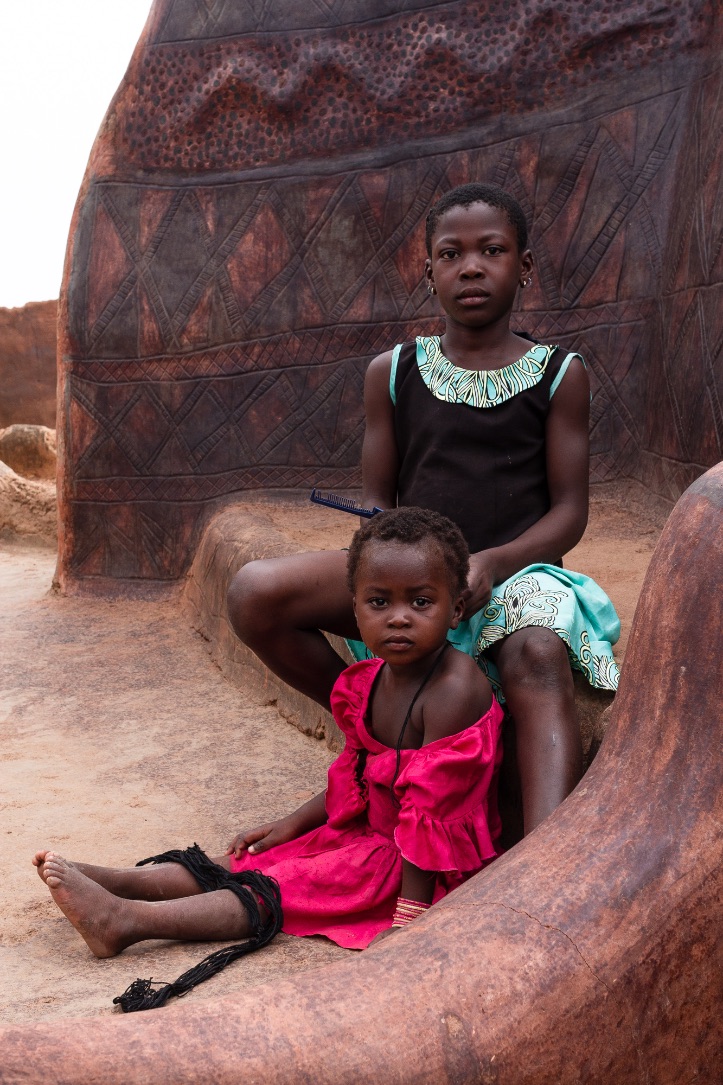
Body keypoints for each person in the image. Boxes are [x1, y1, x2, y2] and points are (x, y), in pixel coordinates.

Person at [228, 182, 620, 837]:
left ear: (523, 267)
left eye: (491, 250)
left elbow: (569, 513)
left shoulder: (559, 373)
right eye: (450, 253)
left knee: (536, 654)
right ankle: (382, 727)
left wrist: (491, 562)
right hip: (418, 572)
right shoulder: (392, 370)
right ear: (428, 271)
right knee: (254, 591)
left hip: (517, 574)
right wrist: (392, 551)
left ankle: (544, 852)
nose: (470, 265)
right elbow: (379, 498)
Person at [33, 509, 504, 1004]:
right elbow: (362, 774)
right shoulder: (371, 680)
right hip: (369, 834)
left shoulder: (453, 690)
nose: (399, 617)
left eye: (422, 602)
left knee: (278, 885)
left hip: (418, 869)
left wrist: (410, 917)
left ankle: (126, 921)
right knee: (255, 858)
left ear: (455, 610)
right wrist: (294, 822)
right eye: (379, 603)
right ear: (355, 609)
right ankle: (125, 882)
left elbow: (427, 817)